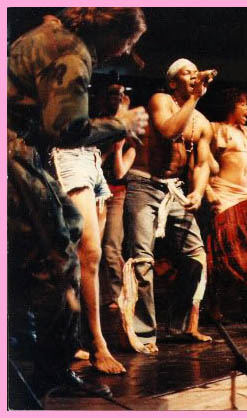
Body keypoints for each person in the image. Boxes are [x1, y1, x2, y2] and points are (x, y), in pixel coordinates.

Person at [8, 7, 148, 394]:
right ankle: (52, 369)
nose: (124, 52)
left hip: (19, 149)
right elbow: (65, 130)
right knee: (60, 259)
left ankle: (30, 348)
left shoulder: (44, 34)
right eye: (127, 43)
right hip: (14, 153)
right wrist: (121, 124)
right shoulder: (72, 51)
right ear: (112, 32)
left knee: (43, 245)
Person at [122, 58, 215, 353]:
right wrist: (195, 98)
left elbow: (201, 164)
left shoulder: (202, 122)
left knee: (196, 256)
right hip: (144, 185)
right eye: (187, 73)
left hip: (174, 190)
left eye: (196, 72)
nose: (194, 76)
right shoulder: (160, 100)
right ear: (173, 82)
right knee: (142, 260)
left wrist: (198, 191)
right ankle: (144, 334)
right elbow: (168, 131)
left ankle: (178, 325)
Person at [206, 88, 247, 318]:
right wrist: (207, 190)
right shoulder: (215, 129)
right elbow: (202, 162)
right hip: (224, 195)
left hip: (246, 196)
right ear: (231, 105)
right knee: (225, 250)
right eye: (243, 104)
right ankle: (217, 305)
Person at [98, 84, 137, 310]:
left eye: (121, 94)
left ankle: (117, 295)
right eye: (113, 93)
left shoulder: (131, 141)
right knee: (95, 245)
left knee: (111, 245)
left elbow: (120, 172)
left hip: (117, 194)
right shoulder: (100, 127)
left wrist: (118, 149)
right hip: (98, 192)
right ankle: (102, 294)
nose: (118, 98)